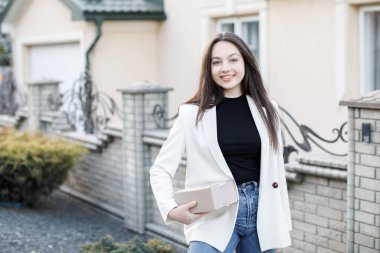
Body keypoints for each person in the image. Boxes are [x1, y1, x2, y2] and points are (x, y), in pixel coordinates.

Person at [149, 32, 292, 253]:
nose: (225, 68)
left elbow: (277, 169)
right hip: (214, 216)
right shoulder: (191, 114)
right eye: (216, 62)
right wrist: (171, 209)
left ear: (246, 62)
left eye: (233, 59)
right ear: (209, 68)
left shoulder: (268, 110)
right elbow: (160, 169)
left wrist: (281, 220)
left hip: (262, 215)